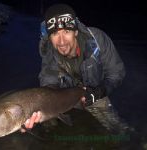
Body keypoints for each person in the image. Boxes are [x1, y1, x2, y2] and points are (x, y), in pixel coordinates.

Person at [20, 4, 125, 132]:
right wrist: (29, 113)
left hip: (94, 91)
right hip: (64, 96)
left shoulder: (97, 39)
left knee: (117, 128)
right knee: (47, 124)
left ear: (76, 31)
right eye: (55, 34)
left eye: (66, 31)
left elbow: (116, 72)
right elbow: (48, 84)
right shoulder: (49, 54)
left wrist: (100, 91)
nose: (62, 41)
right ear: (49, 37)